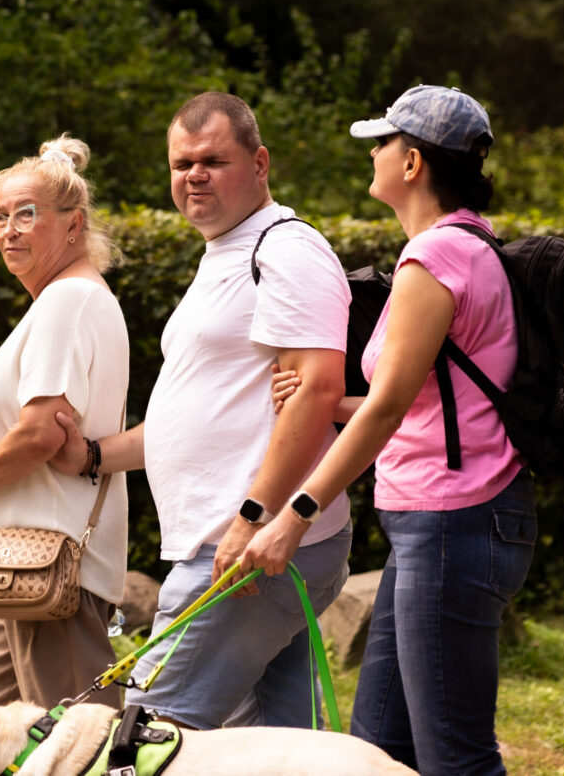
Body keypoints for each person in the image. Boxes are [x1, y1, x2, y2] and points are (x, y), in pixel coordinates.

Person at [241, 85, 537, 775]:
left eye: (382, 142)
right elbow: (434, 400)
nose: (371, 154)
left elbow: (389, 407)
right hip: (440, 525)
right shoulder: (469, 246)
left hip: (451, 524)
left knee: (453, 760)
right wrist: (326, 403)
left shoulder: (433, 260)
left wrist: (295, 514)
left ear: (412, 163)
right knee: (376, 752)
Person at [54, 91, 353, 730]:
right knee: (271, 754)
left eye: (213, 160)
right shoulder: (226, 253)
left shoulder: (283, 249)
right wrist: (98, 456)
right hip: (241, 545)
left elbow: (316, 394)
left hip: (248, 548)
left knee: (145, 735)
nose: (194, 175)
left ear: (260, 162)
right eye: (180, 163)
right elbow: (201, 412)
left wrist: (253, 517)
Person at [0, 134, 129, 710]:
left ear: (73, 224)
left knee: (77, 749)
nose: (8, 230)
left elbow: (41, 434)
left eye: (26, 214)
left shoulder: (68, 303)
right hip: (11, 571)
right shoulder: (63, 302)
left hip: (51, 573)